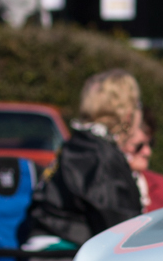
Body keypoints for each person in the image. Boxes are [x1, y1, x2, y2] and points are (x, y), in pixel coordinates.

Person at [22, 70, 144, 248]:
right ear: (128, 115)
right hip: (64, 253)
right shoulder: (100, 155)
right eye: (138, 105)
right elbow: (122, 230)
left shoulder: (80, 144)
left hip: (47, 247)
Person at [126, 109, 163, 211]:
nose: (147, 152)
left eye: (150, 143)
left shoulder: (162, 187)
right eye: (138, 146)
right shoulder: (104, 185)